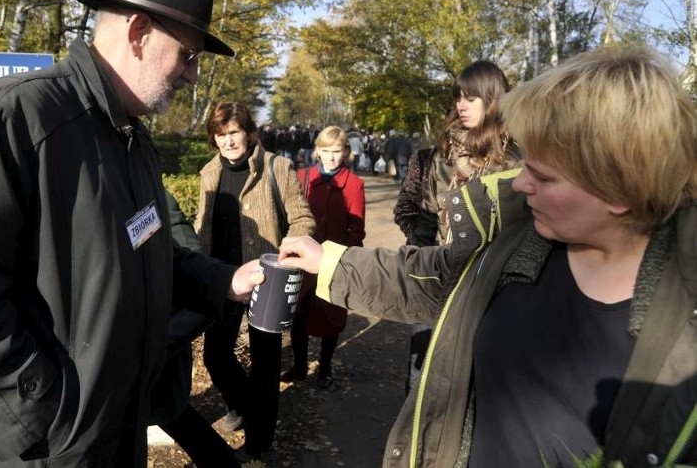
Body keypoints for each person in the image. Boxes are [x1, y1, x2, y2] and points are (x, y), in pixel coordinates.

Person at [0, 0, 266, 468]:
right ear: (138, 31)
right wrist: (45, 420)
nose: (190, 77)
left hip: (101, 439)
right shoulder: (22, 115)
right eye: (187, 55)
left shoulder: (132, 142)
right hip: (24, 451)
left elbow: (149, 250)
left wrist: (224, 281)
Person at [278, 45, 697, 467]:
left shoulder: (684, 333)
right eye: (526, 163)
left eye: (544, 175)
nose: (520, 184)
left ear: (617, 190)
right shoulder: (517, 240)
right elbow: (435, 279)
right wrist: (329, 261)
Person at [196, 101, 315, 460]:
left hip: (269, 280)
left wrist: (286, 257)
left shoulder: (278, 168)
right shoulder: (208, 173)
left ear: (248, 132)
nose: (228, 141)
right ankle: (244, 406)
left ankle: (260, 443)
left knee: (265, 367)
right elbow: (203, 227)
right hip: (225, 279)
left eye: (233, 132)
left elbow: (302, 219)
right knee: (216, 356)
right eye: (220, 135)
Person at [393, 60, 521, 391]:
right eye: (458, 98)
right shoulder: (438, 156)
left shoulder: (516, 163)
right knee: (419, 381)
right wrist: (420, 266)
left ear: (492, 99)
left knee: (470, 387)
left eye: (470, 98)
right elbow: (419, 218)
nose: (460, 106)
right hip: (435, 280)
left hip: (486, 293)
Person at [149, 191, 240, 468]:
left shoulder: (154, 196)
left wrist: (159, 343)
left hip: (155, 362)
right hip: (103, 369)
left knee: (179, 421)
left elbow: (198, 287)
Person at [282, 125, 365, 389]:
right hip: (302, 259)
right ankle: (299, 365)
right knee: (299, 314)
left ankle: (326, 366)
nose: (331, 157)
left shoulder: (354, 184)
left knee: (331, 314)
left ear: (346, 152)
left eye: (337, 151)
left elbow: (357, 229)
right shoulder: (301, 177)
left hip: (334, 259)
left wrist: (348, 260)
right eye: (326, 150)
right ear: (317, 150)